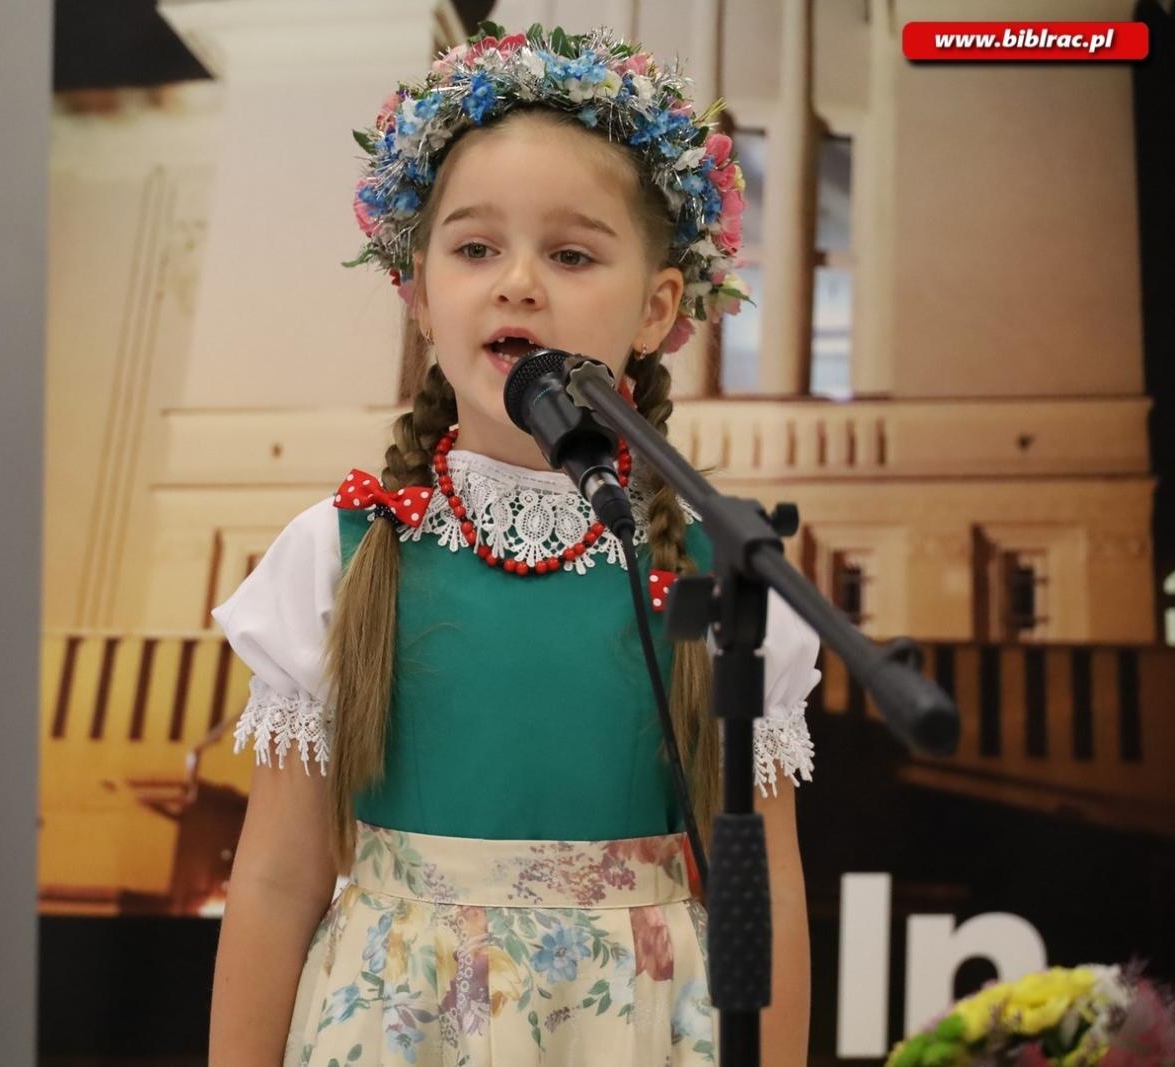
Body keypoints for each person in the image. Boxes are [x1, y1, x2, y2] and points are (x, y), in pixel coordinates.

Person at [209, 22, 822, 1066]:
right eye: (475, 248)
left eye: (572, 254)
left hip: (636, 1026)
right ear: (419, 292)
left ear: (656, 308)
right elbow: (274, 880)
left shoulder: (715, 570)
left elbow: (764, 887)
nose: (518, 282)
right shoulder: (342, 554)